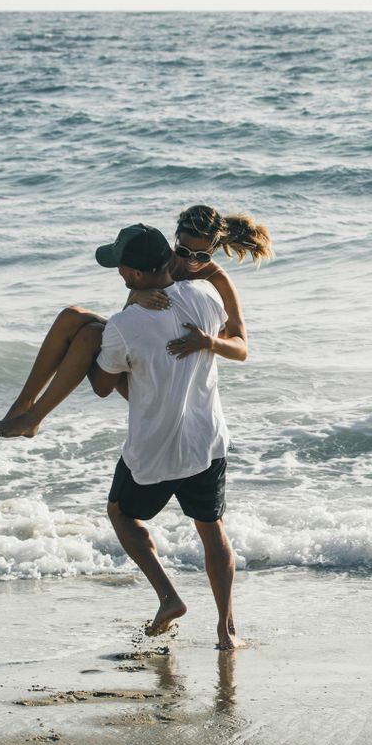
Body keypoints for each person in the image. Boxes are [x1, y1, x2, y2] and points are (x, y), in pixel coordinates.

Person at [0, 206, 272, 439]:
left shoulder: (217, 280)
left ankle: (33, 418)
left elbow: (241, 349)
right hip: (145, 356)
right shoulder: (162, 261)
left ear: (214, 250)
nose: (190, 262)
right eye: (184, 252)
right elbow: (128, 320)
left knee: (90, 335)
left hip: (170, 379)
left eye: (202, 256)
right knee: (70, 317)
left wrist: (209, 342)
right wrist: (137, 296)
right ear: (175, 241)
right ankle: (24, 406)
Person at [85, 223, 239, 650]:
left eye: (121, 267)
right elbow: (230, 337)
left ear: (135, 274)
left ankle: (169, 597)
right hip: (205, 442)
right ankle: (227, 631)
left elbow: (102, 385)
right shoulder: (207, 297)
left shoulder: (123, 324)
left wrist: (90, 342)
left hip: (153, 450)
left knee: (120, 513)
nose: (119, 273)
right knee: (212, 530)